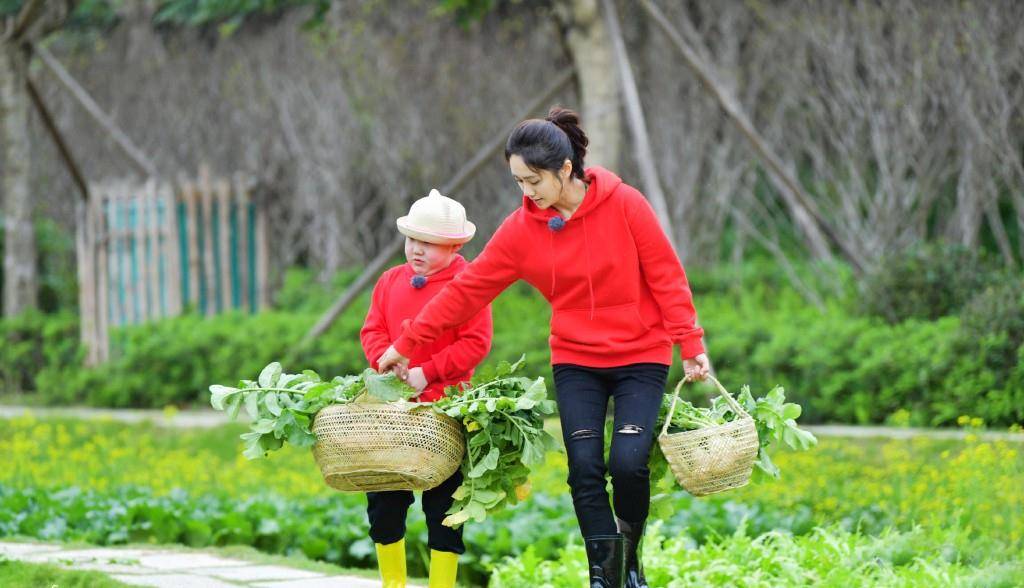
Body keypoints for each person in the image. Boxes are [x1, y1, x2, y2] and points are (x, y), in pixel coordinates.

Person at [377, 106, 711, 588]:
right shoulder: (521, 230)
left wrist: (691, 342)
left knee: (629, 463)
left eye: (533, 180)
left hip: (642, 353)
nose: (526, 192)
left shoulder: (626, 204)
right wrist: (408, 344)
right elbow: (466, 294)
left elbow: (666, 274)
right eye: (518, 181)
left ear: (566, 170)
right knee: (584, 466)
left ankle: (628, 556)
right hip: (577, 360)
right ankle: (605, 577)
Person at [360, 188, 492, 588]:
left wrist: (427, 372)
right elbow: (372, 329)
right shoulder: (388, 281)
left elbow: (475, 343)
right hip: (392, 413)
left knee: (444, 507)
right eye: (413, 240)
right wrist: (384, 360)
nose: (417, 250)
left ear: (454, 246)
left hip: (445, 412)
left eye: (430, 244)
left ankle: (441, 584)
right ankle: (393, 582)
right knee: (385, 502)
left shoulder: (468, 285)